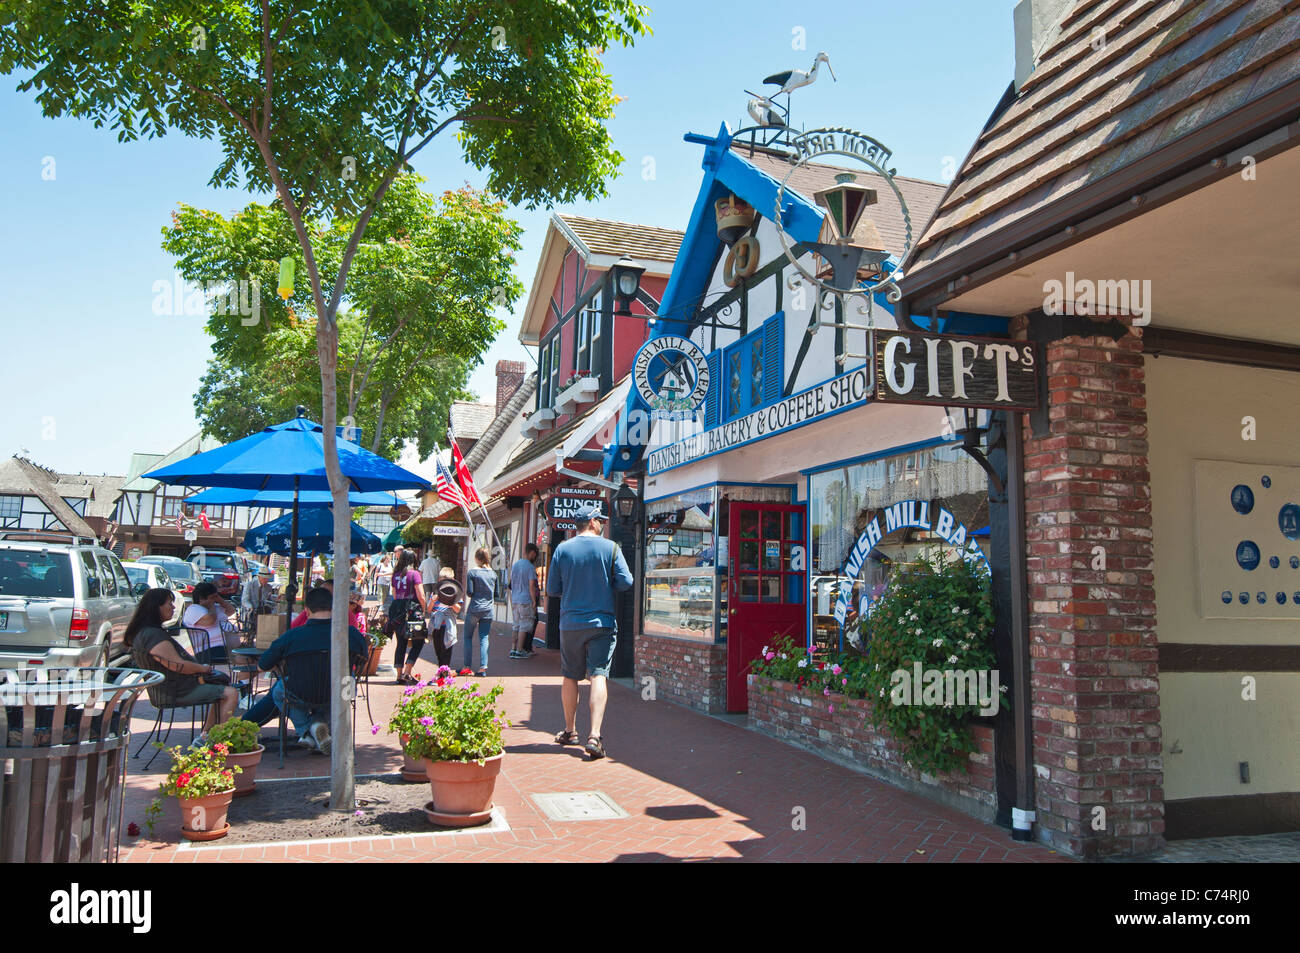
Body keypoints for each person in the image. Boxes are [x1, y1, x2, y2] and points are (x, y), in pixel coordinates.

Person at [547, 502, 633, 760]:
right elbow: (626, 581)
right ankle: (594, 735)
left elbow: (552, 588)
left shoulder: (562, 549)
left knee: (570, 676)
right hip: (602, 622)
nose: (603, 524)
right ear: (593, 522)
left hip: (571, 622)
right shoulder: (611, 547)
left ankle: (570, 730)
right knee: (598, 675)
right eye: (601, 521)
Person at [243, 586, 368, 754]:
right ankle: (317, 729)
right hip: (339, 692)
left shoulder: (292, 636)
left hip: (301, 693)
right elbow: (362, 661)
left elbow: (263, 665)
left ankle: (307, 730)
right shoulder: (351, 634)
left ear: (307, 610)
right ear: (333, 608)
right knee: (347, 681)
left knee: (279, 690)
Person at [126, 588, 239, 735]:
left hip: (172, 687)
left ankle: (206, 735)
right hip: (175, 691)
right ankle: (220, 740)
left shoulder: (147, 631)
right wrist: (203, 669)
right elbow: (178, 666)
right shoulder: (152, 635)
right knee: (231, 693)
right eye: (169, 603)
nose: (173, 607)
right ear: (156, 607)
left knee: (221, 684)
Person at [387, 550, 427, 685]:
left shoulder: (395, 575)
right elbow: (421, 595)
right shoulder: (415, 574)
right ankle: (407, 672)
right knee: (418, 640)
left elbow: (394, 594)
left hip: (398, 609)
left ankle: (398, 675)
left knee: (401, 642)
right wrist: (424, 608)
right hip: (412, 609)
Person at [181, 582, 238, 664]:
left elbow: (231, 610)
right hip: (211, 649)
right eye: (212, 597)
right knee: (248, 660)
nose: (214, 600)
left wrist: (218, 598)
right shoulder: (194, 609)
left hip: (227, 646)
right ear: (201, 599)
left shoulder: (215, 607)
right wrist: (212, 607)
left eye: (216, 597)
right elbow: (210, 621)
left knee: (252, 656)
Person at [462, 547, 496, 676]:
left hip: (475, 608)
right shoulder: (493, 574)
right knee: (484, 637)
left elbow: (470, 592)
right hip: (488, 609)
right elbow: (496, 593)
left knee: (468, 637)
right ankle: (483, 667)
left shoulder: (472, 573)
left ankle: (467, 666)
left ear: (477, 558)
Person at [508, 545, 540, 659]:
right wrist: (534, 601)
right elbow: (531, 585)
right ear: (531, 553)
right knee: (524, 625)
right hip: (525, 599)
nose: (535, 556)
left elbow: (510, 584)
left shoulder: (515, 565)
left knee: (516, 625)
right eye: (535, 554)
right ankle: (520, 650)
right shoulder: (530, 567)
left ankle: (513, 648)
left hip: (515, 599)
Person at [428, 596, 462, 669]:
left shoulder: (455, 592)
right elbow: (429, 609)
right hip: (436, 626)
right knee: (438, 651)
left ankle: (445, 675)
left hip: (447, 627)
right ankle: (441, 672)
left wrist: (451, 601)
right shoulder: (435, 593)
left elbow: (458, 609)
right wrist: (433, 601)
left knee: (446, 651)